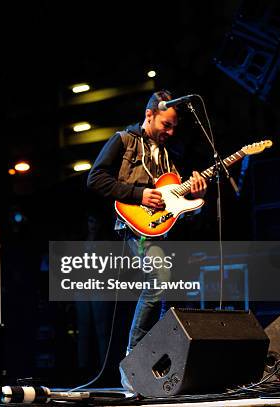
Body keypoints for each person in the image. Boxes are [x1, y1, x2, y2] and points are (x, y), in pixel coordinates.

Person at [86, 90, 207, 389]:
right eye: (166, 124)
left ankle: (162, 363)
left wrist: (197, 194)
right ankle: (132, 359)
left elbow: (176, 204)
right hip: (133, 225)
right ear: (149, 115)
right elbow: (95, 178)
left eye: (174, 127)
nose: (170, 131)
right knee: (158, 280)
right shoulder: (123, 140)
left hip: (162, 229)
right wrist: (139, 193)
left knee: (172, 291)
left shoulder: (168, 156)